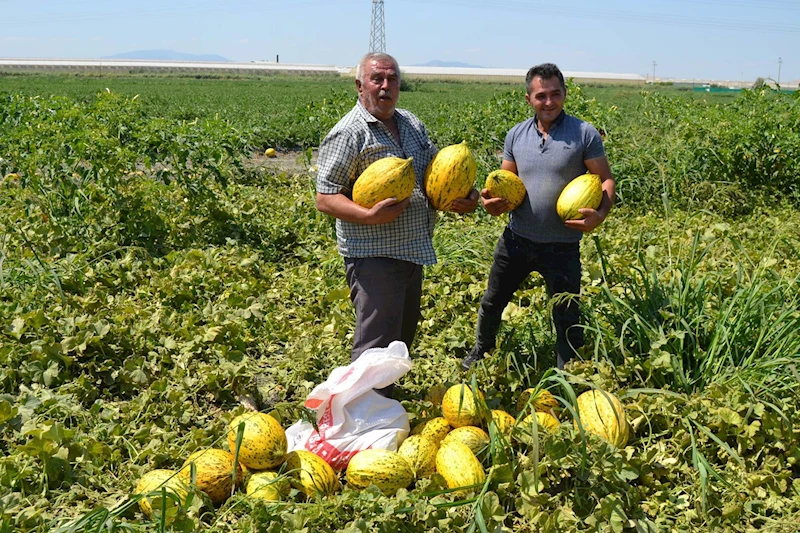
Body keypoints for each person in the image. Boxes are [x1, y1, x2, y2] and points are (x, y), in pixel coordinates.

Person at [316, 52, 478, 396]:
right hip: (374, 256)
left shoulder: (410, 123)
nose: (386, 86)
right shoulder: (349, 133)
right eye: (377, 79)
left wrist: (465, 195)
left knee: (401, 337)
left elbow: (438, 169)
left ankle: (385, 403)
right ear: (360, 85)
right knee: (375, 345)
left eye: (392, 79)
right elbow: (325, 197)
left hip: (411, 250)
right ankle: (361, 414)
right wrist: (369, 216)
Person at [462, 62, 615, 372]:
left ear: (565, 94)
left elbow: (606, 180)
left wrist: (599, 215)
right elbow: (504, 185)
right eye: (541, 95)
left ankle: (567, 371)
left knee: (566, 313)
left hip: (562, 245)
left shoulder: (584, 133)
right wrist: (493, 204)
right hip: (516, 240)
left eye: (555, 94)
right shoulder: (515, 135)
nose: (549, 102)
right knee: (492, 301)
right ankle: (481, 350)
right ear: (528, 98)